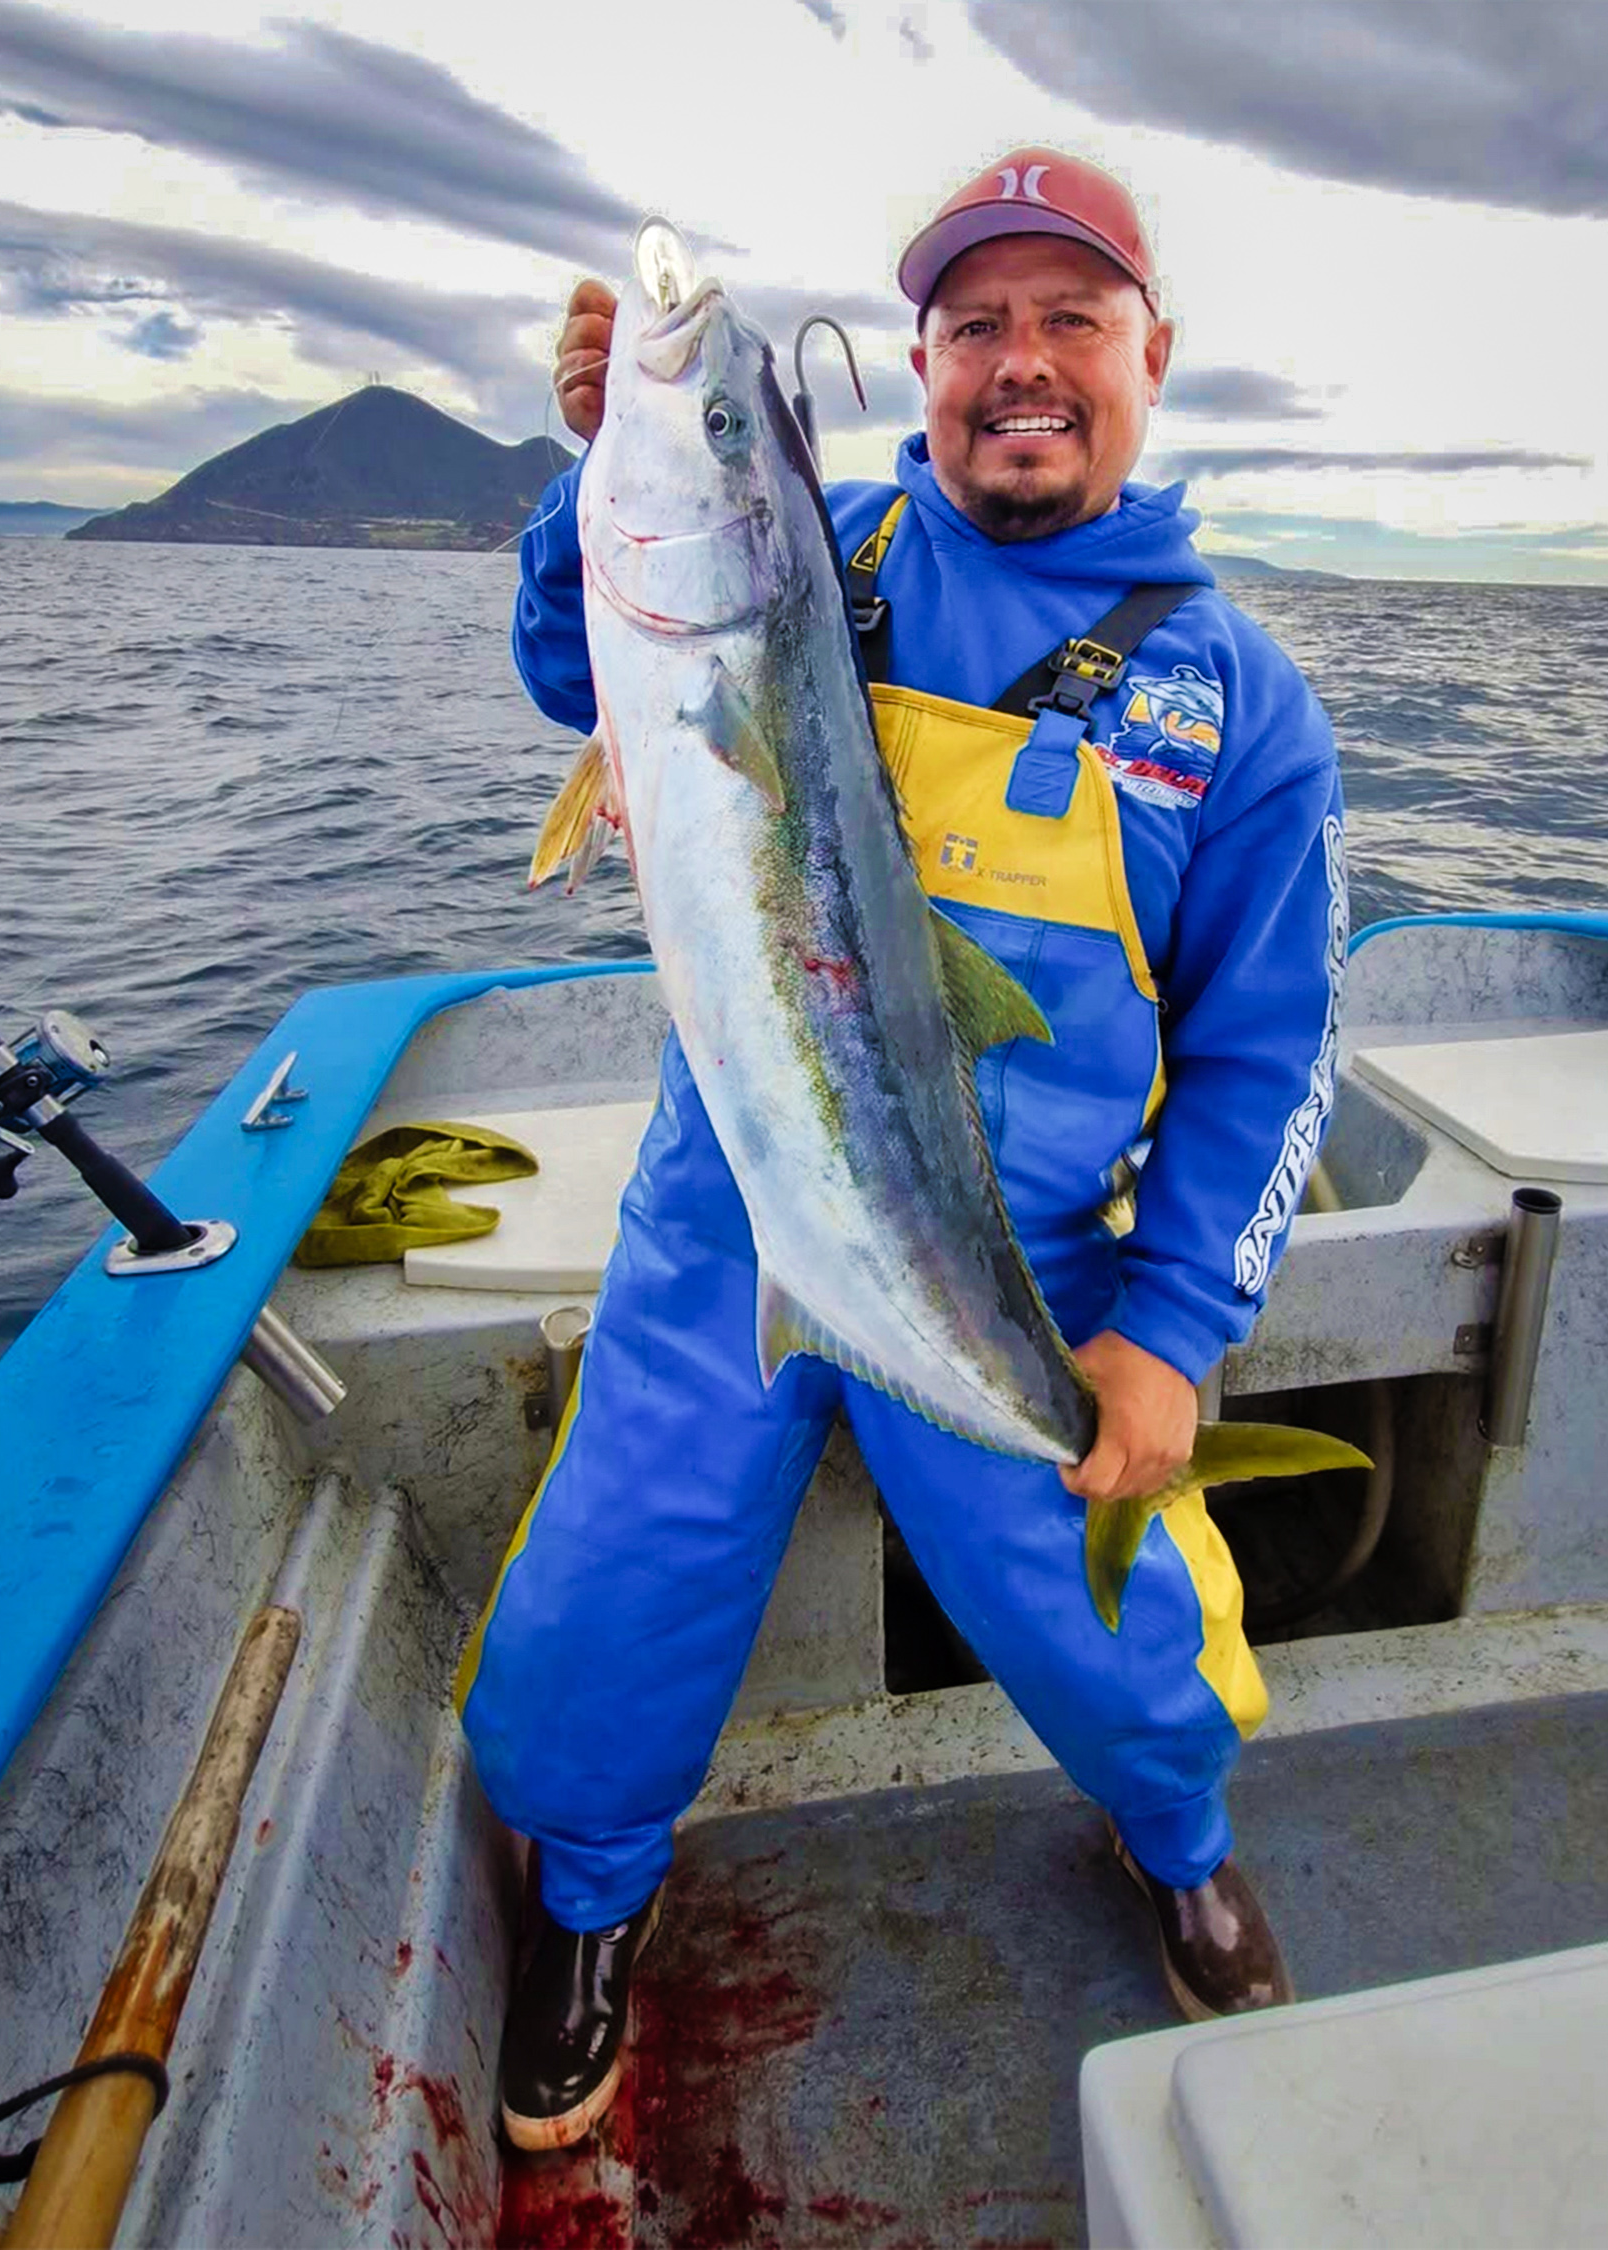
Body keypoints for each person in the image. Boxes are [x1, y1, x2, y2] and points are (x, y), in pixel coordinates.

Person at [456, 145, 1346, 2152]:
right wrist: (606, 458)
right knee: (611, 1599)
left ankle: (1174, 1837)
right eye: (972, 327)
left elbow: (1266, 1054)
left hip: (1018, 1261)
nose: (1018, 363)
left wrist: (1179, 1331)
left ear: (1150, 354)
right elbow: (571, 664)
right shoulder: (810, 561)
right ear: (922, 364)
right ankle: (590, 1900)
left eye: (1069, 319)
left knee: (1121, 1639)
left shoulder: (1237, 700)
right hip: (722, 1220)